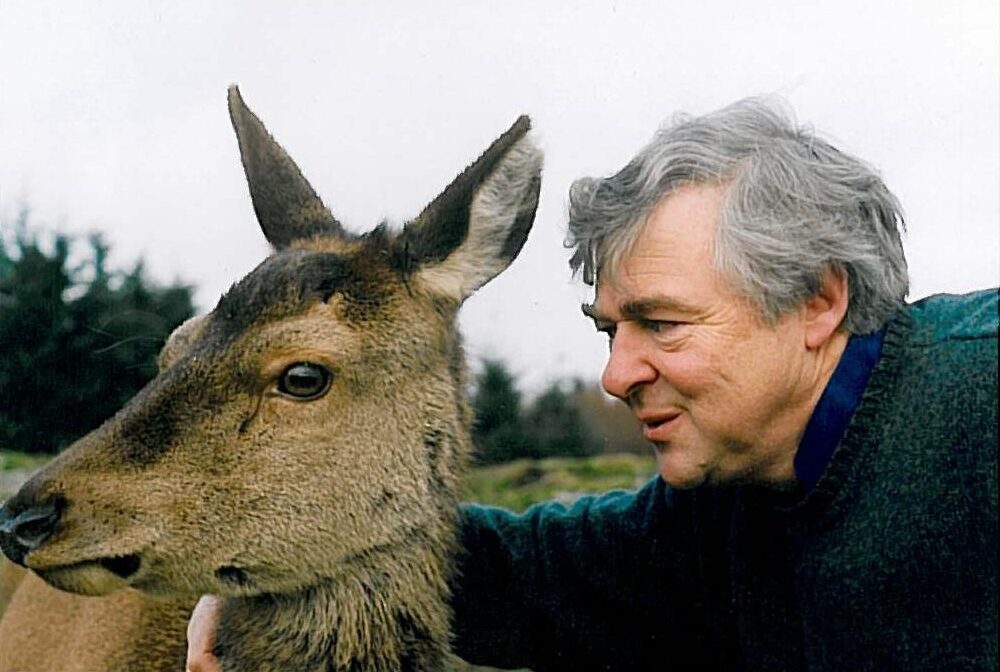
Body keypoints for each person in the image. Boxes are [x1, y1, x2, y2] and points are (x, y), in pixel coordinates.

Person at [187, 98, 998, 671]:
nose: (616, 375)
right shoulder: (726, 505)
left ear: (818, 302)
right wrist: (276, 563)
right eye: (611, 329)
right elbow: (529, 576)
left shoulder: (977, 399)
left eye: (664, 324)